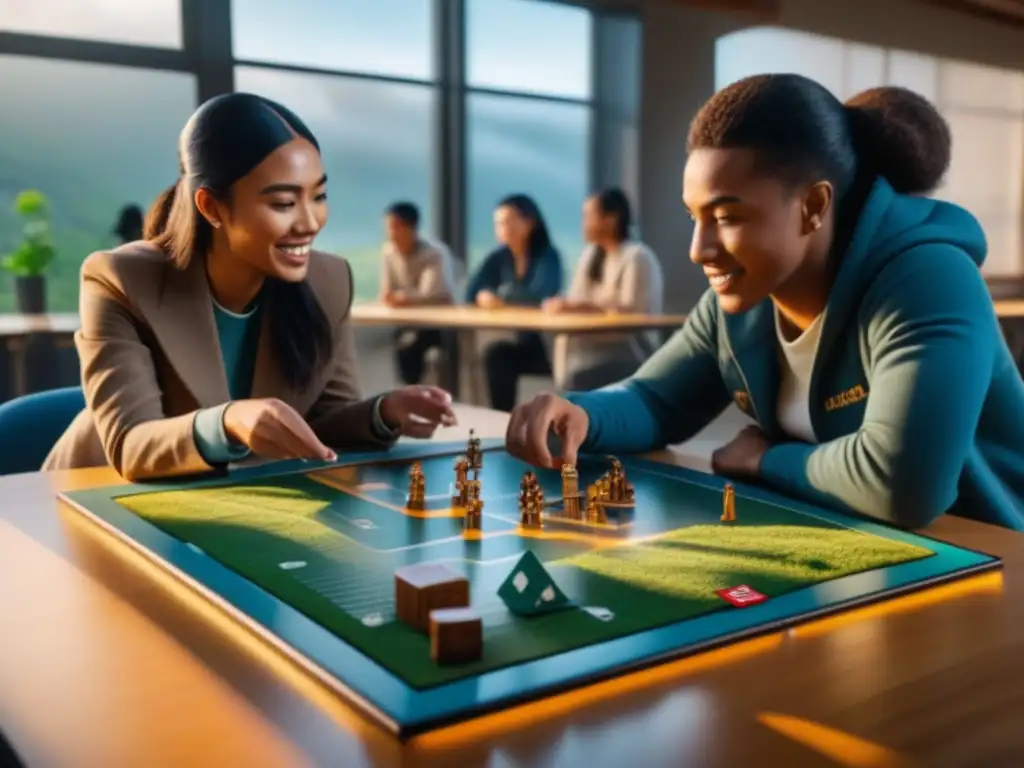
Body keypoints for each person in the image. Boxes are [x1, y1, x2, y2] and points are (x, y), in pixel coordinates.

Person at [505, 74, 1024, 532]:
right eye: (695, 218)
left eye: (727, 217)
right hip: (861, 549)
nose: (698, 250)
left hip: (994, 565)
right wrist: (581, 414)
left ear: (814, 205)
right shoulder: (741, 299)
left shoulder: (928, 278)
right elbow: (657, 401)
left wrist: (768, 460)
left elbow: (902, 484)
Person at [44, 92, 456, 481]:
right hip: (92, 495)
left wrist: (383, 412)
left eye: (319, 196)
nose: (310, 222)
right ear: (211, 207)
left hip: (216, 506)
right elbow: (132, 445)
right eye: (283, 203)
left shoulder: (329, 281)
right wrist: (227, 423)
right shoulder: (119, 280)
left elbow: (322, 421)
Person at [543, 187, 664, 391]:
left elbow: (630, 311)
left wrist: (579, 307)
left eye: (589, 216)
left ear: (611, 219)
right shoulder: (590, 255)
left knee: (576, 379)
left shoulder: (637, 257)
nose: (584, 223)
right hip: (589, 350)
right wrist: (565, 305)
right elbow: (576, 298)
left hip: (631, 352)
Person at [465, 194, 563, 411]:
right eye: (497, 223)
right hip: (523, 342)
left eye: (507, 222)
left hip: (548, 347)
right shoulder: (498, 256)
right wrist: (483, 296)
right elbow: (470, 292)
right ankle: (502, 422)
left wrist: (500, 297)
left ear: (528, 224)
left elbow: (539, 296)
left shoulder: (548, 256)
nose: (501, 228)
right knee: (496, 355)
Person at [379, 200, 456, 384]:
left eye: (396, 227)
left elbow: (431, 294)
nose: (391, 233)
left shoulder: (435, 253)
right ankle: (408, 396)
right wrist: (398, 298)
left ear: (412, 228)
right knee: (401, 343)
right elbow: (386, 293)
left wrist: (403, 298)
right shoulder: (388, 252)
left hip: (438, 324)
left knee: (411, 345)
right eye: (388, 227)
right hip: (405, 322)